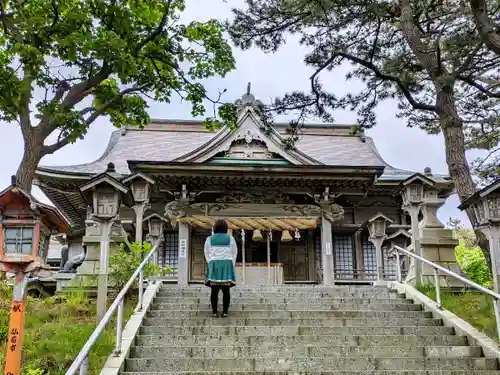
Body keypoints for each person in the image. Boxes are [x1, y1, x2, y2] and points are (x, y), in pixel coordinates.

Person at [204, 219, 237, 317]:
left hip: (214, 264)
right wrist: (231, 264)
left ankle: (214, 312)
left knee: (214, 290)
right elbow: (234, 253)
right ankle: (225, 312)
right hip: (227, 264)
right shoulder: (231, 238)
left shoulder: (209, 239)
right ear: (226, 228)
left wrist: (210, 261)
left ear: (214, 228)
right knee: (226, 290)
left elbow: (207, 252)